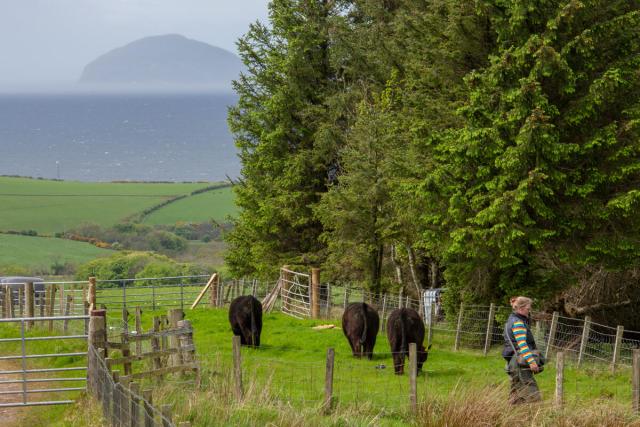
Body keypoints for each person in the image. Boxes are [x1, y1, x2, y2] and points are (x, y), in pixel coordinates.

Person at [503, 296, 542, 404]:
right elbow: (522, 344)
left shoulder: (510, 320)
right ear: (521, 308)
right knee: (531, 392)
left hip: (512, 362)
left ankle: (512, 417)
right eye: (528, 309)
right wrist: (531, 361)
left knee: (515, 394)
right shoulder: (518, 322)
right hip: (519, 362)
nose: (529, 312)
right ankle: (536, 414)